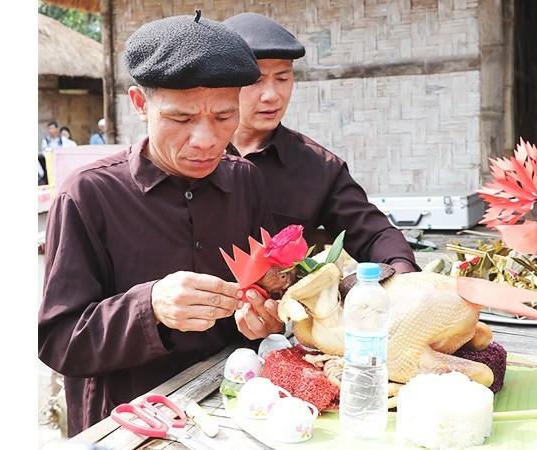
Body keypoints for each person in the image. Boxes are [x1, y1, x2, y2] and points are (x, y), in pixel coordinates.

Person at [38, 11, 284, 437]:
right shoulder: (88, 195)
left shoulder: (246, 181)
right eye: (182, 119)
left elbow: (267, 288)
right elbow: (58, 341)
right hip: (129, 426)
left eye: (225, 117)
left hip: (232, 416)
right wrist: (148, 306)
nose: (205, 139)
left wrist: (268, 314)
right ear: (140, 104)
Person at [223, 13, 419, 274]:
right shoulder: (189, 156)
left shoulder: (318, 167)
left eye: (282, 78)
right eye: (256, 81)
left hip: (278, 312)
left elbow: (373, 234)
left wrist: (402, 270)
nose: (272, 96)